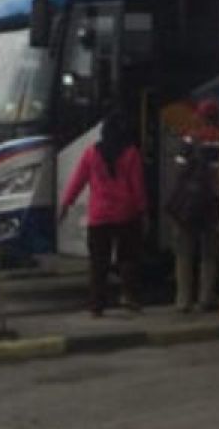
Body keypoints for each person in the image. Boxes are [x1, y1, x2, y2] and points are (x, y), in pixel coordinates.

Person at [58, 111, 147, 316]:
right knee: (128, 259)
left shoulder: (91, 153)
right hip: (126, 214)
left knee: (99, 263)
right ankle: (129, 297)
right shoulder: (131, 153)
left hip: (99, 217)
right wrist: (143, 211)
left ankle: (97, 305)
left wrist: (66, 204)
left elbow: (77, 181)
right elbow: (138, 186)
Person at [167, 98, 219, 313]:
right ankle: (206, 297)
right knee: (209, 253)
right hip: (211, 204)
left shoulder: (190, 139)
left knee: (184, 252)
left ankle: (183, 300)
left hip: (188, 204)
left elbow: (179, 169)